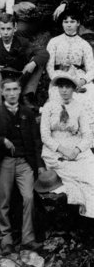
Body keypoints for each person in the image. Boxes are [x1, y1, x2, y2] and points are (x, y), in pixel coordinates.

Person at [0, 78, 45, 255]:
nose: (12, 93)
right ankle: (6, 239)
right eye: (8, 90)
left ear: (20, 90)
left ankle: (28, 239)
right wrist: (2, 141)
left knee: (29, 198)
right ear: (2, 92)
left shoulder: (27, 113)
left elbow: (36, 142)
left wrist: (40, 166)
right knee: (3, 201)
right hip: (5, 162)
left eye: (15, 89)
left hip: (24, 163)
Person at [40, 71, 94, 218]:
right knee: (79, 178)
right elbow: (45, 135)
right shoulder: (49, 107)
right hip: (55, 151)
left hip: (75, 149)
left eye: (68, 87)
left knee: (91, 174)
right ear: (57, 88)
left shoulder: (79, 107)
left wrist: (76, 150)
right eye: (61, 86)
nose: (64, 90)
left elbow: (87, 135)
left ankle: (89, 219)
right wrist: (63, 150)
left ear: (73, 89)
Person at [46, 4, 94, 140]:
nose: (69, 25)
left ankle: (85, 136)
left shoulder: (84, 44)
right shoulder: (54, 42)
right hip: (60, 76)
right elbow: (49, 67)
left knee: (89, 94)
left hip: (78, 77)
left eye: (72, 21)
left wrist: (82, 81)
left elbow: (91, 69)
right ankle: (63, 134)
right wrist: (57, 78)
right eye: (65, 21)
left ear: (78, 23)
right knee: (60, 95)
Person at [0, 13, 49, 111]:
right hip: (3, 80)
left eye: (9, 29)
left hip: (20, 77)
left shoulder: (23, 42)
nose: (5, 32)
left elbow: (44, 53)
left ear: (15, 29)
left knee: (38, 63)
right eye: (2, 29)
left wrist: (32, 63)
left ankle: (27, 97)